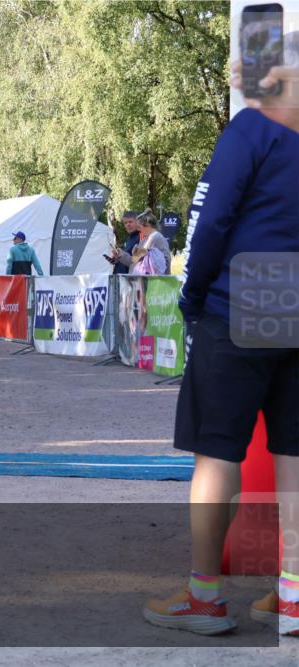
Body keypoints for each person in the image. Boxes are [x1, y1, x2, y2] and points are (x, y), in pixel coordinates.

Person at [143, 46, 299, 637]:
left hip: (242, 301)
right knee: (295, 456)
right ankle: (295, 598)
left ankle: (205, 598)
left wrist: (193, 295)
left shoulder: (252, 129)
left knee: (217, 453)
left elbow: (209, 219)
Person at [111, 209, 171, 275]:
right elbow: (134, 261)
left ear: (147, 225)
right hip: (139, 279)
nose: (139, 230)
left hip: (154, 280)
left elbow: (166, 262)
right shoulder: (144, 240)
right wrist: (121, 255)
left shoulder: (158, 237)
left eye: (139, 227)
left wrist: (145, 256)